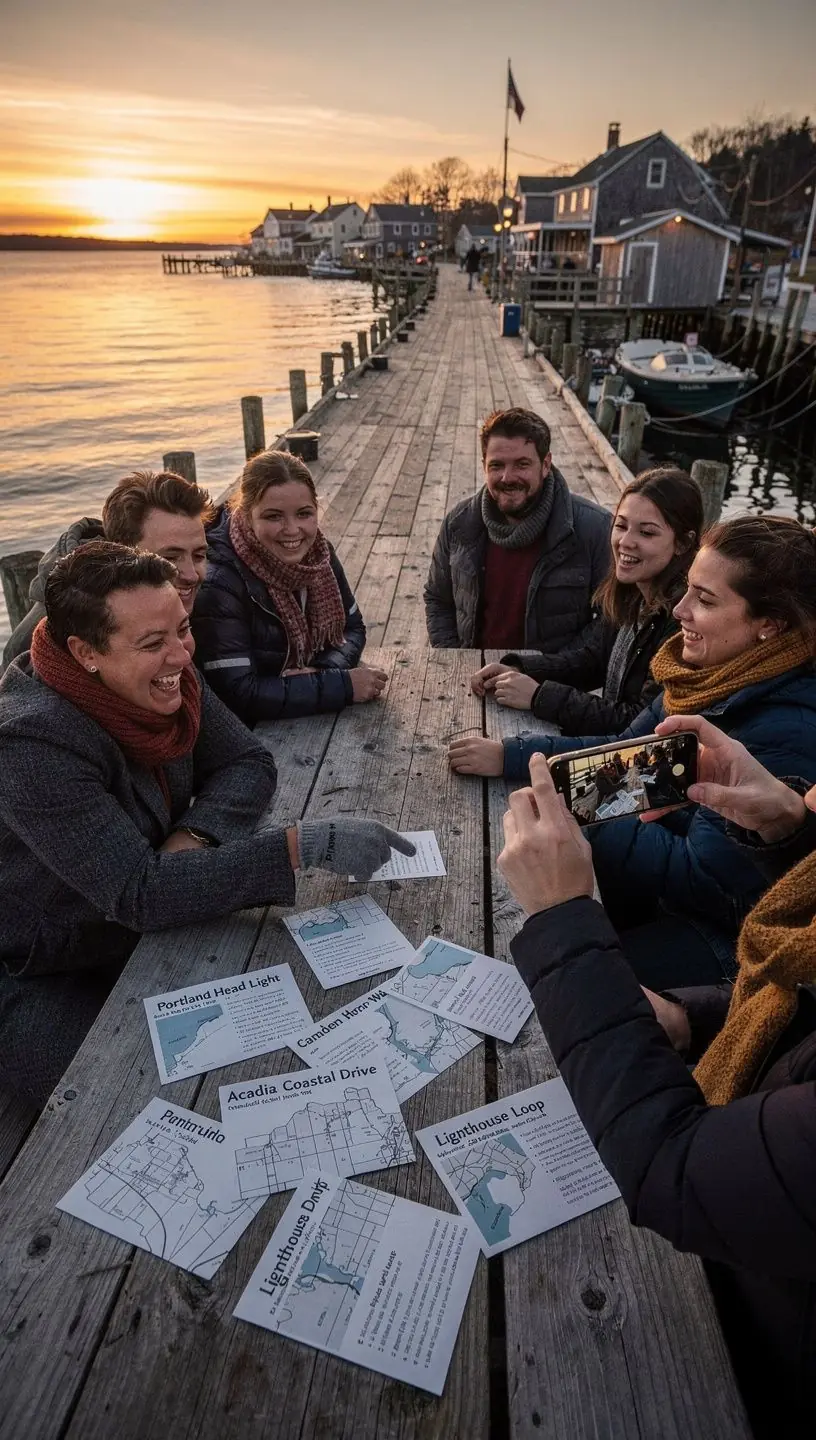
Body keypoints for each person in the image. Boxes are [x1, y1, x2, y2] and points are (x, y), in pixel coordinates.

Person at [0, 542, 414, 1107]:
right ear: (85, 651)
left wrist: (190, 838)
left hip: (154, 912)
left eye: (184, 629)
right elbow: (138, 892)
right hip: (46, 964)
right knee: (119, 1096)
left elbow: (246, 760)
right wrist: (300, 846)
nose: (180, 656)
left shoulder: (170, 674)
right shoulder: (31, 741)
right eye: (153, 643)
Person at [498, 744, 816, 1439]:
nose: (680, 623)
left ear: (770, 625)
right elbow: (798, 1002)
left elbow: (674, 1172)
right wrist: (690, 1016)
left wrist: (561, 914)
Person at [451, 516, 816, 987]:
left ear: (769, 624)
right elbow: (625, 751)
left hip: (725, 938)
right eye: (687, 589)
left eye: (704, 600)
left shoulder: (787, 727)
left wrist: (575, 807)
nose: (680, 609)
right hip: (658, 894)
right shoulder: (708, 676)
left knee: (552, 984)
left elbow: (702, 878)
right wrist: (516, 756)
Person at [470, 467, 702, 735]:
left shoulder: (683, 623)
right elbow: (591, 660)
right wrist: (521, 668)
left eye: (647, 533)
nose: (625, 542)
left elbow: (638, 722)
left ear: (683, 543)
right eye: (621, 525)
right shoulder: (634, 594)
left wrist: (538, 696)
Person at [193, 449, 386, 724]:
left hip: (305, 715)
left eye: (304, 513)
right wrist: (342, 686)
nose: (292, 529)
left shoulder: (319, 556)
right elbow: (237, 692)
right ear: (246, 515)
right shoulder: (220, 582)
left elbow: (352, 627)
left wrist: (323, 671)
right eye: (274, 517)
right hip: (251, 732)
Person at [424, 408, 610, 653]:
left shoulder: (595, 529)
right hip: (471, 677)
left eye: (522, 464)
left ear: (545, 465)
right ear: (484, 466)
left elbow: (609, 621)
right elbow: (438, 599)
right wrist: (456, 660)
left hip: (550, 683)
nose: (507, 477)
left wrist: (542, 676)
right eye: (496, 465)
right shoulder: (459, 523)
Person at [2, 469, 214, 668]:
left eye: (198, 555)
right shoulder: (48, 643)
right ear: (121, 550)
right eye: (170, 558)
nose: (191, 575)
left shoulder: (183, 599)